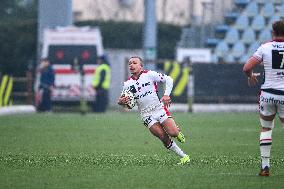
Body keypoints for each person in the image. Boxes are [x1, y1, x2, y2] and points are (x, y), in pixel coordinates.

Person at [117, 56, 190, 165]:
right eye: (129, 63)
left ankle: (177, 131)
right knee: (162, 136)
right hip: (146, 115)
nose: (131, 65)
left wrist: (166, 95)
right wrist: (121, 102)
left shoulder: (149, 74)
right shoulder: (127, 84)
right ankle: (184, 157)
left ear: (141, 66)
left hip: (158, 109)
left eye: (134, 63)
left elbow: (169, 79)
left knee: (172, 132)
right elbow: (127, 104)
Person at [243, 20, 284, 176]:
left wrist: (251, 76)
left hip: (268, 94)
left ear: (273, 32)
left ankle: (265, 167)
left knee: (266, 128)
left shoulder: (265, 47)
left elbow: (246, 67)